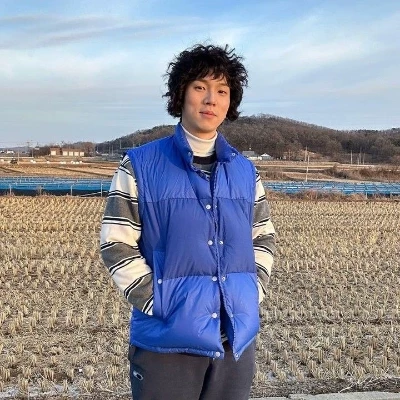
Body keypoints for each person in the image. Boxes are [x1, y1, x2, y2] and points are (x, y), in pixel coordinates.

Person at [100, 43, 276, 400]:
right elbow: (116, 243)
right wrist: (159, 302)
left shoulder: (245, 171)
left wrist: (251, 291)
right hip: (166, 343)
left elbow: (263, 237)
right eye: (200, 87)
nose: (211, 99)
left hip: (234, 343)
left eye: (222, 91)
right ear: (181, 93)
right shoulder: (140, 165)